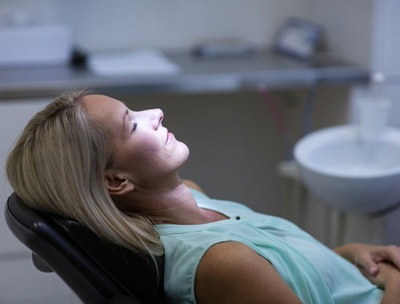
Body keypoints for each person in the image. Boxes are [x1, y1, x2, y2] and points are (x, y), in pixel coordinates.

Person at [6, 90, 400, 304]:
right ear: (117, 181)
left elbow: (287, 267)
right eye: (132, 124)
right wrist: (394, 281)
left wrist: (350, 254)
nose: (156, 112)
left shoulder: (195, 200)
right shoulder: (223, 263)